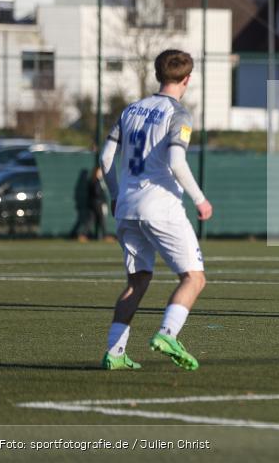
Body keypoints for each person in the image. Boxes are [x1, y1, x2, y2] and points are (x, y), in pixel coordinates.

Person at [99, 49, 213, 370]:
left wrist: (115, 194)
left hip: (127, 208)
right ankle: (167, 333)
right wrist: (200, 199)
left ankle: (115, 352)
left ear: (157, 74)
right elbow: (177, 162)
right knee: (194, 278)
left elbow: (105, 158)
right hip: (160, 207)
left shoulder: (130, 110)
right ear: (187, 79)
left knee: (137, 281)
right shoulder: (178, 114)